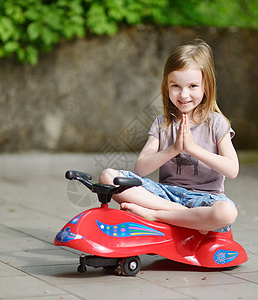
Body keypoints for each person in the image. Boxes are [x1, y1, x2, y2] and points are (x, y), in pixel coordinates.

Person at [99, 38, 239, 234]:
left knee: (227, 212)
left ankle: (156, 215)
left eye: (192, 86)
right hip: (165, 195)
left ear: (206, 86)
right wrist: (174, 149)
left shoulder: (216, 122)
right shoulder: (162, 123)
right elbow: (141, 168)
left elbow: (232, 170)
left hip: (206, 199)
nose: (183, 94)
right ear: (166, 85)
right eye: (176, 86)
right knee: (108, 177)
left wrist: (192, 149)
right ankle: (182, 214)